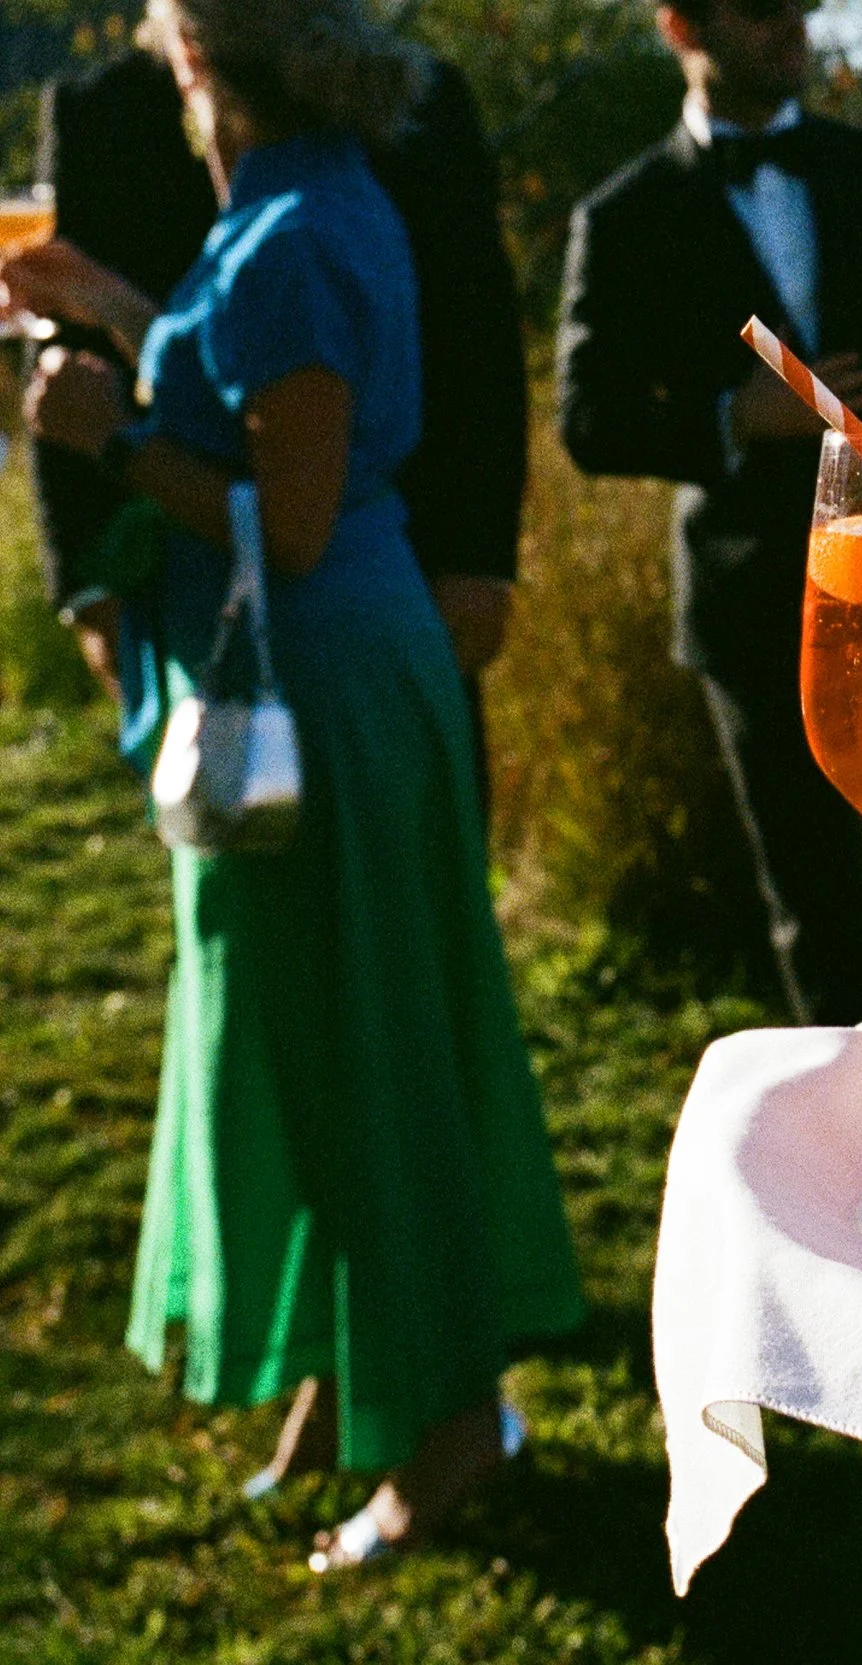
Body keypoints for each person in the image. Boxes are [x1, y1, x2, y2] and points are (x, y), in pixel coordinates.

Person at [7, 0, 584, 1570]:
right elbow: (244, 365)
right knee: (307, 1038)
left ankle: (454, 1427)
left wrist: (110, 439)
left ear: (203, 66)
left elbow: (294, 519)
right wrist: (120, 312)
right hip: (313, 678)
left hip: (322, 689)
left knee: (369, 1046)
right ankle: (345, 1376)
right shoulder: (297, 202)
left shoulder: (295, 232)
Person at [557, 0, 862, 1025]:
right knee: (814, 904)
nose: (788, 29)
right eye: (759, 11)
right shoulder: (623, 215)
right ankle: (844, 1152)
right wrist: (734, 417)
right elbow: (586, 421)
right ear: (681, 28)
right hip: (752, 600)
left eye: (797, 7)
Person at [25, 41, 529, 800]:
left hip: (391, 572)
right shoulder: (99, 112)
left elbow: (479, 337)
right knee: (229, 821)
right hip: (186, 580)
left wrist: (479, 559)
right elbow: (68, 362)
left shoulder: (408, 93)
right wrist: (89, 586)